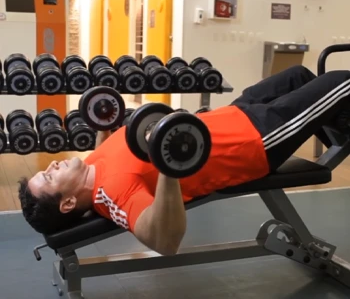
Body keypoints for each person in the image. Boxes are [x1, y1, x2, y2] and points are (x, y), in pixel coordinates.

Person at [18, 65, 350, 256]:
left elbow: (111, 148)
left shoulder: (92, 165)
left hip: (231, 114)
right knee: (342, 82)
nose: (50, 166)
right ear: (68, 204)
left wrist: (104, 122)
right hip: (254, 140)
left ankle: (341, 130)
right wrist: (169, 164)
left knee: (297, 76)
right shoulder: (113, 193)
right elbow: (164, 241)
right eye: (48, 178)